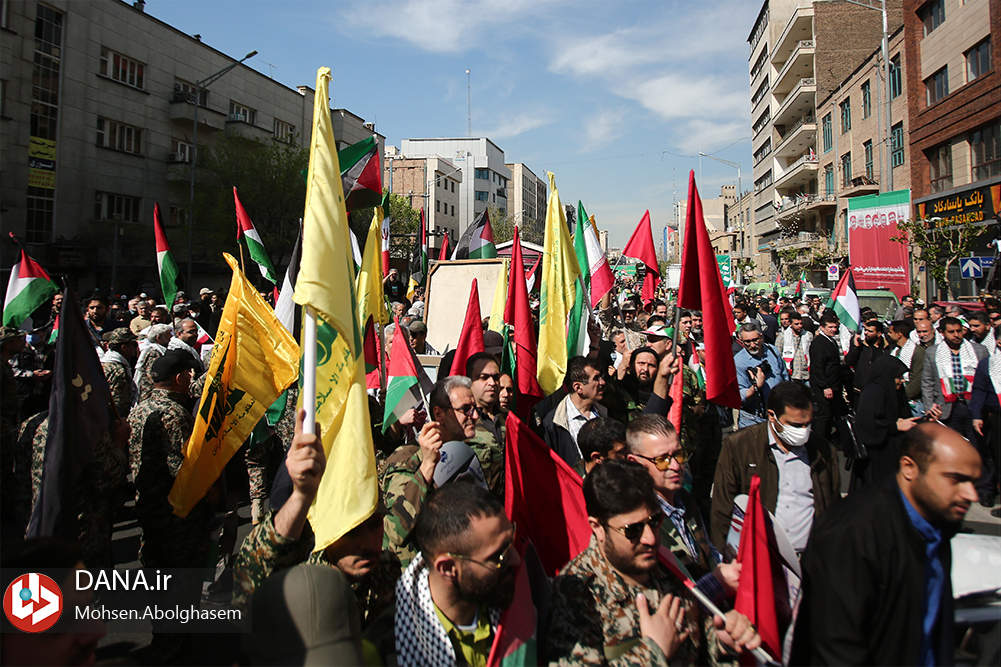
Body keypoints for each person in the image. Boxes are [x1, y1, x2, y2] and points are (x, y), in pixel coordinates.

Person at [791, 422, 981, 666]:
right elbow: (834, 648)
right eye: (956, 479)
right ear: (909, 467)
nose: (971, 495)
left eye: (974, 482)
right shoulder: (852, 532)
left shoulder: (937, 526)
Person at [546, 460, 761, 666]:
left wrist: (722, 643)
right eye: (633, 530)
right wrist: (652, 652)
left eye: (655, 521)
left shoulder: (666, 563)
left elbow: (697, 641)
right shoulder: (577, 590)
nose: (650, 539)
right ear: (598, 527)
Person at [363, 482, 520, 667]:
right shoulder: (381, 653)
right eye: (499, 556)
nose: (516, 560)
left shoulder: (517, 601)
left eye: (512, 542)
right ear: (448, 569)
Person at [127, 350, 209, 662]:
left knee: (158, 577)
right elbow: (183, 471)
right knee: (181, 583)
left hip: (148, 508)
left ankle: (165, 637)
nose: (191, 380)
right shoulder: (174, 415)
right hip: (177, 516)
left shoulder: (141, 409)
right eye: (188, 375)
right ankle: (172, 649)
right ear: (178, 379)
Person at [711, 381, 841, 553]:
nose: (803, 431)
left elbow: (835, 509)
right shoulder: (739, 447)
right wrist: (726, 559)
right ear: (772, 416)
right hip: (761, 560)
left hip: (812, 561)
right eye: (794, 425)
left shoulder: (823, 451)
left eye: (807, 424)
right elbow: (722, 510)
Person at [625, 415, 739, 601]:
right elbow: (660, 600)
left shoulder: (684, 499)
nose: (676, 466)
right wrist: (716, 583)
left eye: (679, 455)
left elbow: (707, 554)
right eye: (662, 460)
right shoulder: (636, 524)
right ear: (634, 463)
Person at [852, 356, 919, 489]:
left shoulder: (894, 392)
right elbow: (866, 424)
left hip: (892, 453)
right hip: (877, 458)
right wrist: (894, 426)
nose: (902, 380)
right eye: (898, 376)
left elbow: (904, 417)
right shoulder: (873, 393)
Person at [922, 316, 989, 440]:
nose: (956, 335)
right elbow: (927, 382)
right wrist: (928, 407)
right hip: (947, 407)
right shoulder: (933, 352)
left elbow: (988, 379)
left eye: (959, 331)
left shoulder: (979, 351)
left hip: (973, 406)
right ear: (942, 333)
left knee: (977, 448)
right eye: (951, 332)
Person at [542, 356, 608, 466]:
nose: (602, 382)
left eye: (601, 377)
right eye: (596, 378)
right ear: (578, 387)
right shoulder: (553, 424)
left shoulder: (606, 413)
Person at [734, 321, 789, 427]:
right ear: (741, 341)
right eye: (747, 342)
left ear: (761, 337)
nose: (752, 345)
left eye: (755, 340)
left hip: (778, 413)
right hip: (754, 419)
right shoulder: (739, 361)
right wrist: (756, 386)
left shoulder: (773, 351)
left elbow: (784, 377)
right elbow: (740, 395)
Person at [970, 326, 1000, 514]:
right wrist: (976, 415)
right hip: (996, 417)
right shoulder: (988, 364)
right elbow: (979, 391)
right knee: (996, 457)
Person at [809, 312, 848, 442]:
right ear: (822, 327)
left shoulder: (831, 341)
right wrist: (825, 386)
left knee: (837, 412)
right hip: (823, 385)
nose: (833, 330)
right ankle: (819, 441)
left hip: (834, 383)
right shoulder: (819, 344)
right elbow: (817, 368)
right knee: (824, 414)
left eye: (835, 327)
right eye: (830, 327)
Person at [844, 319, 889, 404]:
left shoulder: (887, 347)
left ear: (879, 334)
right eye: (866, 330)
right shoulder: (861, 345)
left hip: (880, 389)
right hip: (861, 389)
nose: (866, 333)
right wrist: (856, 348)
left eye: (870, 331)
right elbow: (849, 362)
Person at [888, 319, 926, 414]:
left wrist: (903, 396)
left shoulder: (917, 352)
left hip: (912, 403)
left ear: (899, 334)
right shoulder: (895, 351)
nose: (888, 334)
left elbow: (917, 380)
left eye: (890, 332)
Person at [781, 311, 812, 383]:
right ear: (790, 324)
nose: (800, 326)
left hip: (806, 374)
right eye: (796, 324)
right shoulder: (783, 337)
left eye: (801, 323)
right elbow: (778, 354)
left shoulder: (808, 335)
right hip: (793, 375)